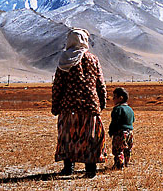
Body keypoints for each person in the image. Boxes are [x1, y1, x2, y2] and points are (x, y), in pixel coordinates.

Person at [51, 28, 107, 178]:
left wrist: (55, 106)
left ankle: (68, 167)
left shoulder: (64, 59)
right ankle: (90, 169)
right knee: (90, 136)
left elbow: (58, 85)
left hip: (68, 106)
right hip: (90, 105)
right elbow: (100, 83)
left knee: (68, 136)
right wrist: (102, 102)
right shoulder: (93, 59)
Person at [108, 87, 135, 170]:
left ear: (121, 98)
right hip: (130, 132)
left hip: (120, 133)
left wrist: (111, 131)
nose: (113, 99)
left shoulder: (117, 109)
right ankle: (126, 163)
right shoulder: (130, 109)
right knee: (127, 149)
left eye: (114, 97)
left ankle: (118, 165)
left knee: (118, 150)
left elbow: (114, 121)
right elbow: (133, 119)